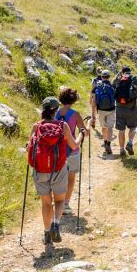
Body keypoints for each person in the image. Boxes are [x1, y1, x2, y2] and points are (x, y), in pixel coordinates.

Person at [27, 96, 79, 249]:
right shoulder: (62, 126)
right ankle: (56, 223)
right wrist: (82, 135)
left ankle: (47, 233)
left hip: (40, 168)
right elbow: (73, 145)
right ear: (56, 110)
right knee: (59, 200)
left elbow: (29, 146)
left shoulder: (36, 126)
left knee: (46, 202)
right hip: (58, 168)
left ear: (43, 110)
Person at [55, 86, 87, 215]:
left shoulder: (55, 112)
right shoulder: (75, 114)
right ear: (74, 100)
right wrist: (88, 125)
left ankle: (56, 201)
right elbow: (85, 131)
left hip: (56, 150)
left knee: (57, 177)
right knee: (71, 177)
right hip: (72, 150)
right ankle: (66, 204)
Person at [113, 66, 137, 157]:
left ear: (122, 72)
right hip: (131, 108)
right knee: (133, 127)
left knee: (121, 130)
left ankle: (121, 150)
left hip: (119, 109)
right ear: (130, 72)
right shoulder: (134, 80)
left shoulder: (117, 80)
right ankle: (129, 143)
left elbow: (112, 91)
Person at [92, 70, 117, 156]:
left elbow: (94, 101)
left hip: (101, 110)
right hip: (111, 109)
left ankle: (105, 141)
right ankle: (108, 144)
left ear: (101, 77)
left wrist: (93, 114)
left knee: (103, 127)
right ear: (109, 77)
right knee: (110, 127)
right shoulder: (112, 86)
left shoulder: (97, 86)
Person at [89, 66, 104, 132]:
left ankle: (93, 122)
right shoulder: (105, 79)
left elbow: (92, 90)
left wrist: (90, 98)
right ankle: (103, 124)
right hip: (102, 97)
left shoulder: (94, 80)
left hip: (95, 96)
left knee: (93, 111)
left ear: (96, 72)